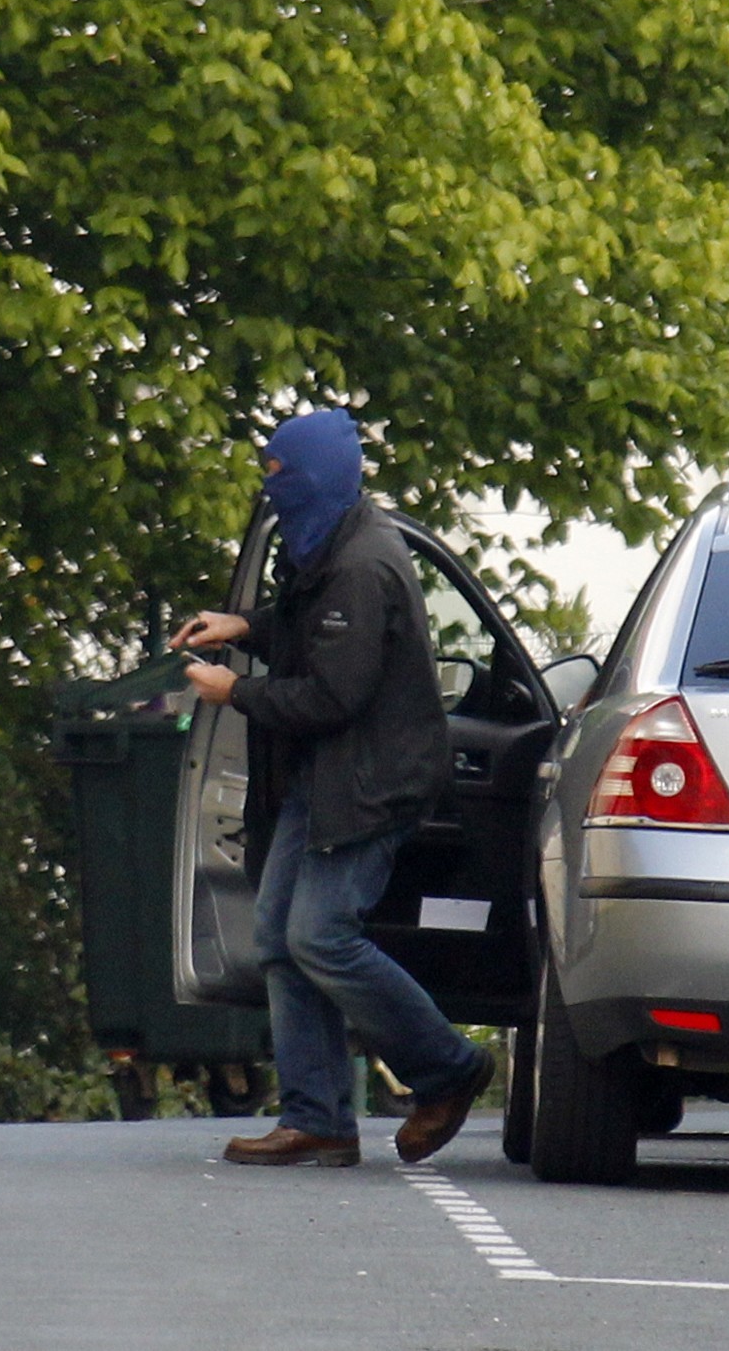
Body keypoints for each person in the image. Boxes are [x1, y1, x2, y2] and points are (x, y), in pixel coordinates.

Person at [172, 408, 494, 1167]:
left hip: (370, 785)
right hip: (326, 779)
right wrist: (242, 626)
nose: (271, 488)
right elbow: (308, 626)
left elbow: (331, 696)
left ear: (312, 476)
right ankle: (318, 1118)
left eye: (279, 474)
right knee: (280, 939)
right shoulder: (332, 543)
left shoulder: (360, 564)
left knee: (319, 934)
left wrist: (234, 692)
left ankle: (449, 1068)